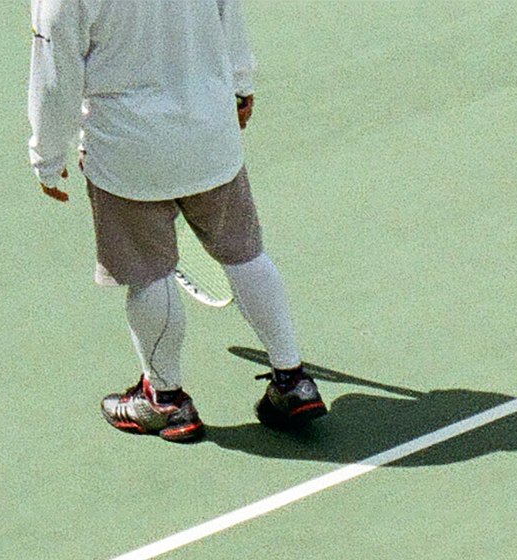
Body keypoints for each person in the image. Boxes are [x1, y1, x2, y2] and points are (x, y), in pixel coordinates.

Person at [29, 0, 325, 440]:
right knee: (245, 254)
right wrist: (240, 86)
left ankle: (164, 401)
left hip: (129, 153)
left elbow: (56, 75)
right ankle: (293, 380)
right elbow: (229, 13)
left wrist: (47, 156)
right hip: (211, 135)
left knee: (147, 273)